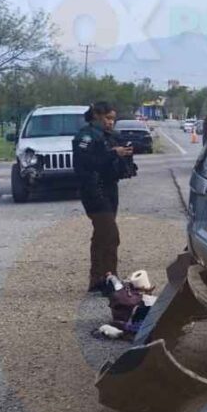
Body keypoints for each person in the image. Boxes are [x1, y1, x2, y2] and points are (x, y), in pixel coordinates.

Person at [73, 101, 133, 293]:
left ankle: (97, 278)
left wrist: (124, 155)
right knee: (110, 234)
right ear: (97, 116)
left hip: (110, 188)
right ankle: (109, 277)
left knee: (101, 235)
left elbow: (114, 160)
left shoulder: (111, 136)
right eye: (108, 118)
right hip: (93, 190)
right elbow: (86, 161)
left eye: (113, 119)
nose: (111, 123)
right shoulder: (86, 136)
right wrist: (111, 153)